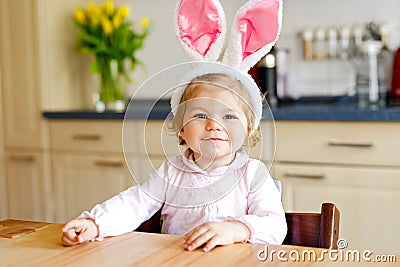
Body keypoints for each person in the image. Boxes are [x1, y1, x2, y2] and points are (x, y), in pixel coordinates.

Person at [61, 72, 287, 252]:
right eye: (200, 115)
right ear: (181, 127)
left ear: (248, 130)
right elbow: (134, 204)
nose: (213, 125)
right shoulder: (172, 171)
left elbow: (275, 226)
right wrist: (95, 224)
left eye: (229, 116)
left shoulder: (252, 173)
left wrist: (236, 230)